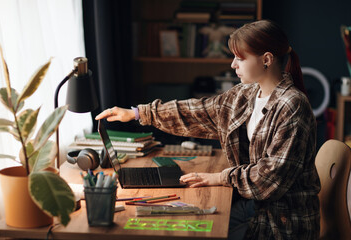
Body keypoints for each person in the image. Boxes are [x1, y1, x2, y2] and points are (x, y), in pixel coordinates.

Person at [95, 20, 320, 239]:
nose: (233, 64)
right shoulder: (248, 93)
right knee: (191, 224)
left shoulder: (292, 106)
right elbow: (199, 110)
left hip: (282, 221)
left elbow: (269, 178)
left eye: (240, 58)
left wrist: (219, 177)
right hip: (257, 207)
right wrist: (137, 114)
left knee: (199, 230)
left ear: (267, 60)